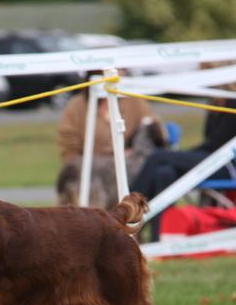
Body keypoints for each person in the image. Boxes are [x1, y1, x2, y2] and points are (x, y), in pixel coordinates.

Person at [131, 67, 236, 240]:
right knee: (164, 173)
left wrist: (180, 156)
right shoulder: (215, 105)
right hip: (211, 160)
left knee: (158, 156)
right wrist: (182, 157)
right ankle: (157, 238)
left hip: (226, 166)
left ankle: (127, 214)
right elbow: (209, 145)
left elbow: (216, 146)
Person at [57, 76, 167, 208]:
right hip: (87, 170)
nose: (120, 73)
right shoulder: (77, 105)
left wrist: (132, 151)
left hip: (126, 166)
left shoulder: (134, 100)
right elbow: (68, 145)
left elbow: (154, 129)